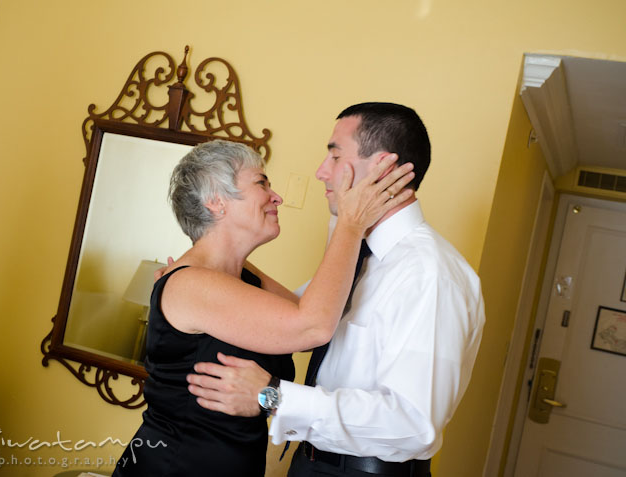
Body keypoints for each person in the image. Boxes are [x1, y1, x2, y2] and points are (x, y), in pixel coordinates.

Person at [185, 103, 486, 477]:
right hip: (310, 463)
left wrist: (271, 396)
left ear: (383, 168)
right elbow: (303, 316)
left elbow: (413, 424)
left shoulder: (430, 274)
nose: (320, 172)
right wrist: (204, 268)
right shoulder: (362, 256)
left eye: (334, 155)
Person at [112, 139, 415, 477]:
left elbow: (315, 314)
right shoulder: (190, 285)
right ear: (216, 201)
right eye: (261, 183)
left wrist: (227, 256)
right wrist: (351, 223)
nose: (276, 196)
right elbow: (313, 325)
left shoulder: (235, 280)